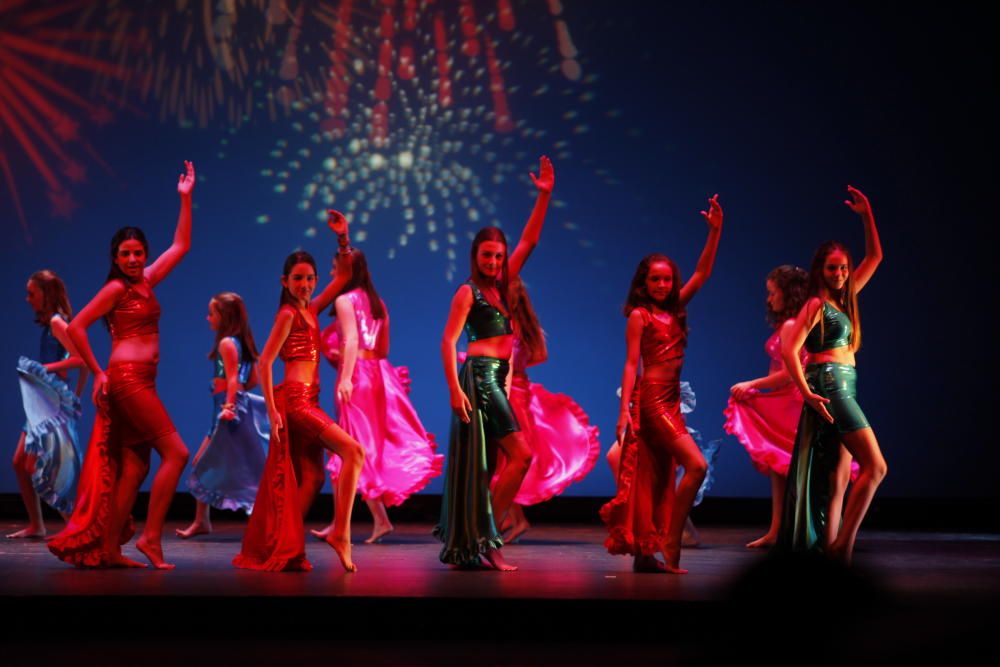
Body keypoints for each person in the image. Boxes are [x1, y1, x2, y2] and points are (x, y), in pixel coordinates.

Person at [48, 161, 196, 569]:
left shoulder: (146, 281)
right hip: (129, 382)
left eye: (138, 253)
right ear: (115, 258)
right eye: (125, 254)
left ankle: (110, 549)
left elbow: (180, 246)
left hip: (143, 380)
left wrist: (185, 199)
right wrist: (98, 371)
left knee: (135, 465)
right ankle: (150, 538)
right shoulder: (116, 288)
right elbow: (75, 327)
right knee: (177, 453)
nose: (133, 259)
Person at [435, 155, 554, 570]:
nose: (493, 263)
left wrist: (543, 196)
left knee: (489, 467)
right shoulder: (468, 292)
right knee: (520, 456)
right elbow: (449, 341)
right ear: (476, 256)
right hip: (479, 378)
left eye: (498, 257)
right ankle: (489, 539)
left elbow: (530, 241)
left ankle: (476, 538)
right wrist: (453, 390)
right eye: (487, 256)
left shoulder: (503, 286)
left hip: (497, 377)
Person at [233, 210, 365, 572]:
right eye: (298, 279)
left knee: (315, 477)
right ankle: (341, 533)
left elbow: (346, 275)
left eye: (309, 278)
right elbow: (264, 362)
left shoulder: (312, 309)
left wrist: (342, 238)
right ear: (284, 281)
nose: (305, 284)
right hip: (295, 402)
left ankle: (283, 540)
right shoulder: (288, 315)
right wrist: (274, 411)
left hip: (310, 399)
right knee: (354, 452)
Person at [601, 194, 723, 574]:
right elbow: (630, 364)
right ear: (644, 281)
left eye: (667, 279)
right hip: (652, 401)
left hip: (670, 399)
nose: (661, 284)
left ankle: (645, 555)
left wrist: (715, 233)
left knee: (655, 478)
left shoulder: (676, 310)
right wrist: (624, 414)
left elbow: (702, 275)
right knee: (696, 465)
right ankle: (670, 537)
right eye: (655, 279)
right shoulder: (640, 316)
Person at [778, 186, 885, 564]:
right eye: (832, 268)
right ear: (819, 271)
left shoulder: (845, 297)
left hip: (844, 383)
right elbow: (792, 350)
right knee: (875, 467)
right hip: (831, 383)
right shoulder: (816, 304)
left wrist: (866, 214)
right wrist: (807, 393)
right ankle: (842, 549)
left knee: (840, 475)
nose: (839, 274)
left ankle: (832, 547)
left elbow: (875, 255)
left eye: (843, 267)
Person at [310, 248, 443, 544]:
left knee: (349, 450)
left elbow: (353, 338)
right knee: (354, 449)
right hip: (377, 375)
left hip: (356, 377)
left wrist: (345, 376)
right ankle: (356, 521)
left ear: (346, 270)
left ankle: (364, 521)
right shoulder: (377, 302)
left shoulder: (345, 300)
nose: (331, 274)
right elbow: (382, 349)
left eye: (334, 268)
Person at [725, 265, 858, 548]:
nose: (769, 299)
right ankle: (777, 530)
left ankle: (809, 529)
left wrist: (753, 383)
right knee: (778, 467)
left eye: (773, 293)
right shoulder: (790, 324)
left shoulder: (791, 325)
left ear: (788, 293)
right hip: (783, 400)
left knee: (794, 467)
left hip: (793, 401)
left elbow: (791, 371)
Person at [493, 277, 601, 543]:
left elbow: (524, 357)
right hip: (514, 388)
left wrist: (511, 375)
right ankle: (515, 520)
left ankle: (505, 521)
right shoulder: (514, 323)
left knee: (506, 459)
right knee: (503, 461)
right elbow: (539, 356)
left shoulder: (513, 325)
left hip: (511, 394)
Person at [177, 292, 269, 538]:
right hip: (231, 406)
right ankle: (202, 520)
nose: (208, 318)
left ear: (223, 317)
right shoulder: (241, 342)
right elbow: (251, 380)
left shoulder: (227, 343)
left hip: (228, 410)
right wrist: (234, 397)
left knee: (204, 463)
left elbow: (232, 379)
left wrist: (229, 405)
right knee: (230, 465)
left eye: (212, 313)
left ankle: (204, 520)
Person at [9, 270, 87, 538]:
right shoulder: (51, 324)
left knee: (38, 466)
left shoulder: (57, 322)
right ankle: (37, 525)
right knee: (20, 462)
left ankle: (75, 527)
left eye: (32, 293)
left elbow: (81, 360)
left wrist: (46, 368)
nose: (28, 299)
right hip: (43, 400)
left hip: (50, 403)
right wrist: (75, 393)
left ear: (46, 293)